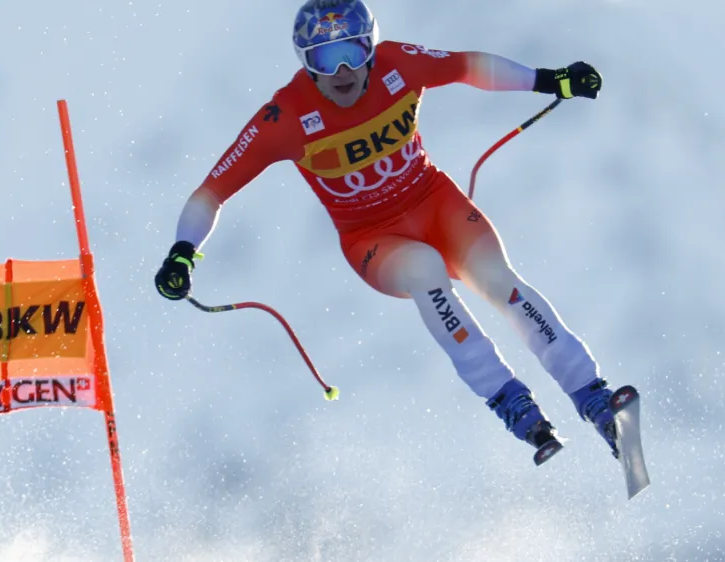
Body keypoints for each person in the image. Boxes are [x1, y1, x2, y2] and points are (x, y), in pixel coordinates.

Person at [154, 0, 618, 466]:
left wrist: (549, 79)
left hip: (436, 203)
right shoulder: (286, 116)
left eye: (352, 53)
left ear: (371, 49)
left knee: (500, 281)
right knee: (425, 271)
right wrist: (182, 252)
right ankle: (513, 405)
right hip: (373, 239)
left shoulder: (399, 63)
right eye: (322, 58)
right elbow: (212, 191)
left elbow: (468, 67)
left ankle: (593, 396)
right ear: (304, 63)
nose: (340, 71)